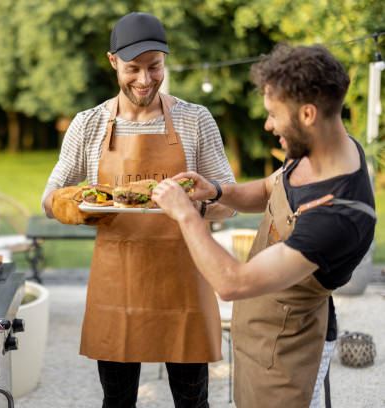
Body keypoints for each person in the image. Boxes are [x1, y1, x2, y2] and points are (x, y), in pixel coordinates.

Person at [152, 44, 376, 408]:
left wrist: (186, 215)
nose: (268, 125)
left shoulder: (337, 216)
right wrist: (218, 190)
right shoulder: (320, 144)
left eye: (273, 114)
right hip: (259, 331)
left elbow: (231, 283)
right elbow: (271, 188)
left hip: (288, 354)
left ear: (307, 114)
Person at [41, 11, 236, 408]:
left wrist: (196, 206)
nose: (145, 81)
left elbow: (228, 200)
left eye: (155, 67)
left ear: (165, 61)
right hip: (118, 288)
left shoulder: (195, 119)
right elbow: (50, 199)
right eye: (133, 69)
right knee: (117, 403)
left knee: (194, 404)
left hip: (185, 282)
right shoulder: (89, 125)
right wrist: (80, 206)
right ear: (113, 61)